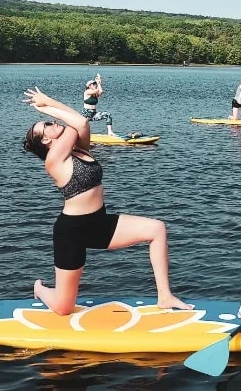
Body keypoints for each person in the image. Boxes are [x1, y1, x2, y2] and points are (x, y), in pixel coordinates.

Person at [21, 87, 192, 316]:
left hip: (100, 223)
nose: (52, 123)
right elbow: (80, 122)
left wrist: (48, 106)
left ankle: (164, 296)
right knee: (64, 308)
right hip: (72, 231)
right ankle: (40, 289)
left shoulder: (79, 149)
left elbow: (82, 124)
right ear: (45, 141)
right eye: (47, 126)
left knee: (157, 229)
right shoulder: (53, 160)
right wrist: (47, 102)